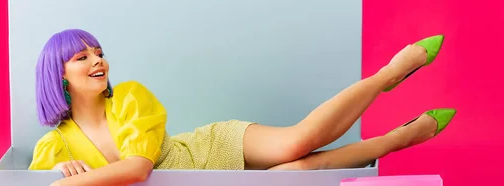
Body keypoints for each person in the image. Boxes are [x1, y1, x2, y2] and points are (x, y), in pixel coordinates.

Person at [28, 29, 456, 186]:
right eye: (81, 57)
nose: (97, 60)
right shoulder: (54, 148)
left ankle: (388, 75)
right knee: (292, 176)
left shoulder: (131, 97)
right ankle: (392, 141)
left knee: (299, 141)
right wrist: (58, 175)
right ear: (59, 74)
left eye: (98, 52)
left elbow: (139, 169)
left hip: (208, 151)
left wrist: (72, 183)